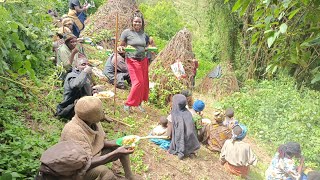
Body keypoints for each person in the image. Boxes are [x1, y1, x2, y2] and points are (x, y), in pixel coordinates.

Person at [60, 96, 137, 179]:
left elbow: (98, 142)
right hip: (76, 170)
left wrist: (117, 143)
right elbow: (85, 164)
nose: (103, 112)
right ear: (93, 116)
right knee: (106, 173)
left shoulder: (92, 121)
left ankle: (130, 177)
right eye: (100, 111)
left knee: (121, 148)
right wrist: (116, 153)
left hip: (92, 156)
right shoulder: (73, 132)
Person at [118, 10, 149, 113]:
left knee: (143, 83)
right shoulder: (127, 32)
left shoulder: (144, 34)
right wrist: (121, 49)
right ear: (132, 22)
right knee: (137, 82)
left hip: (143, 60)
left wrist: (149, 48)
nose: (137, 23)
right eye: (135, 21)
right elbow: (120, 46)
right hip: (132, 59)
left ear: (142, 23)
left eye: (139, 22)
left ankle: (138, 103)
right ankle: (128, 103)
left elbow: (145, 46)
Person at [168, 94, 200, 160]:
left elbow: (168, 135)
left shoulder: (172, 116)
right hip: (190, 144)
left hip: (180, 143)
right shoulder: (189, 113)